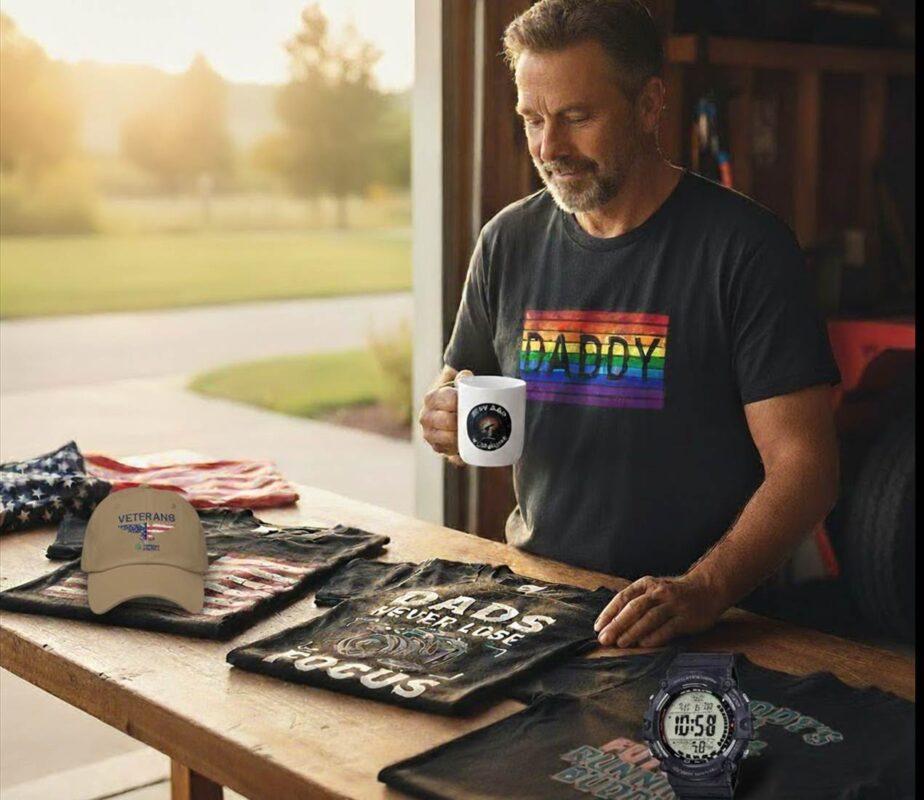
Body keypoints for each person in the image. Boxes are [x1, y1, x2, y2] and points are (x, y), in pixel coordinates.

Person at [418, 0, 840, 650]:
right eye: (532, 119)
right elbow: (461, 383)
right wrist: (447, 418)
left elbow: (806, 467)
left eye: (576, 118)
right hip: (540, 603)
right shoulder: (508, 241)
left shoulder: (747, 248)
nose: (549, 147)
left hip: (716, 624)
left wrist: (702, 590)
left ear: (649, 105)